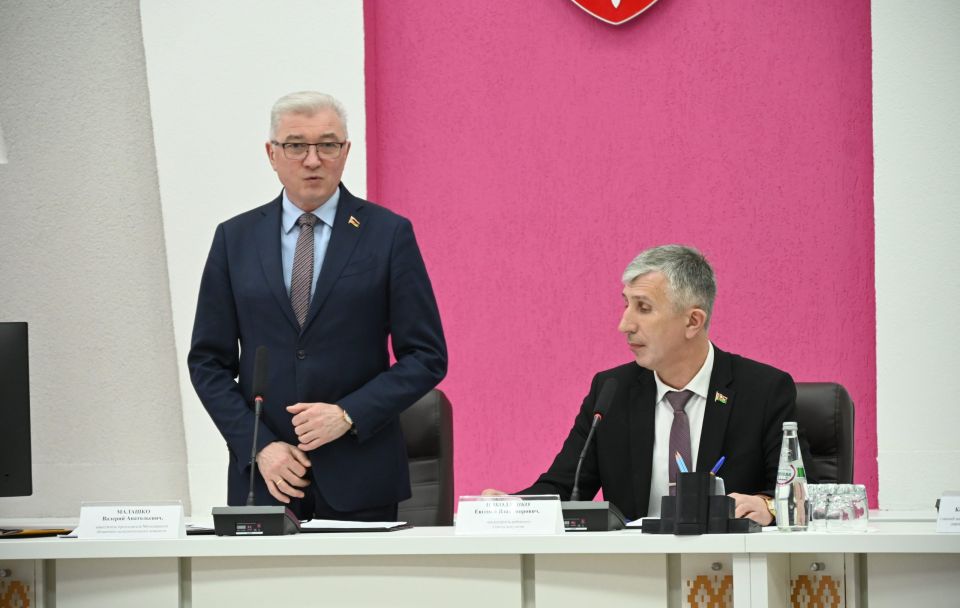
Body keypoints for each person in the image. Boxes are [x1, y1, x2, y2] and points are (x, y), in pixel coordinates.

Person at [188, 91, 447, 522]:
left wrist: (348, 414)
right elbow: (207, 363)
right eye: (296, 145)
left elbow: (426, 356)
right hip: (266, 480)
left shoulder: (388, 235)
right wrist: (259, 446)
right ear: (272, 154)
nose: (312, 160)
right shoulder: (235, 239)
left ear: (345, 152)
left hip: (360, 478)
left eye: (327, 145)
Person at [484, 245, 804, 525]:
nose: (624, 324)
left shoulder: (763, 390)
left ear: (693, 321)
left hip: (727, 564)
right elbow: (565, 488)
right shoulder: (611, 391)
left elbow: (800, 492)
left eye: (643, 308)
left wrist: (767, 506)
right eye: (626, 304)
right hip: (635, 567)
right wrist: (514, 507)